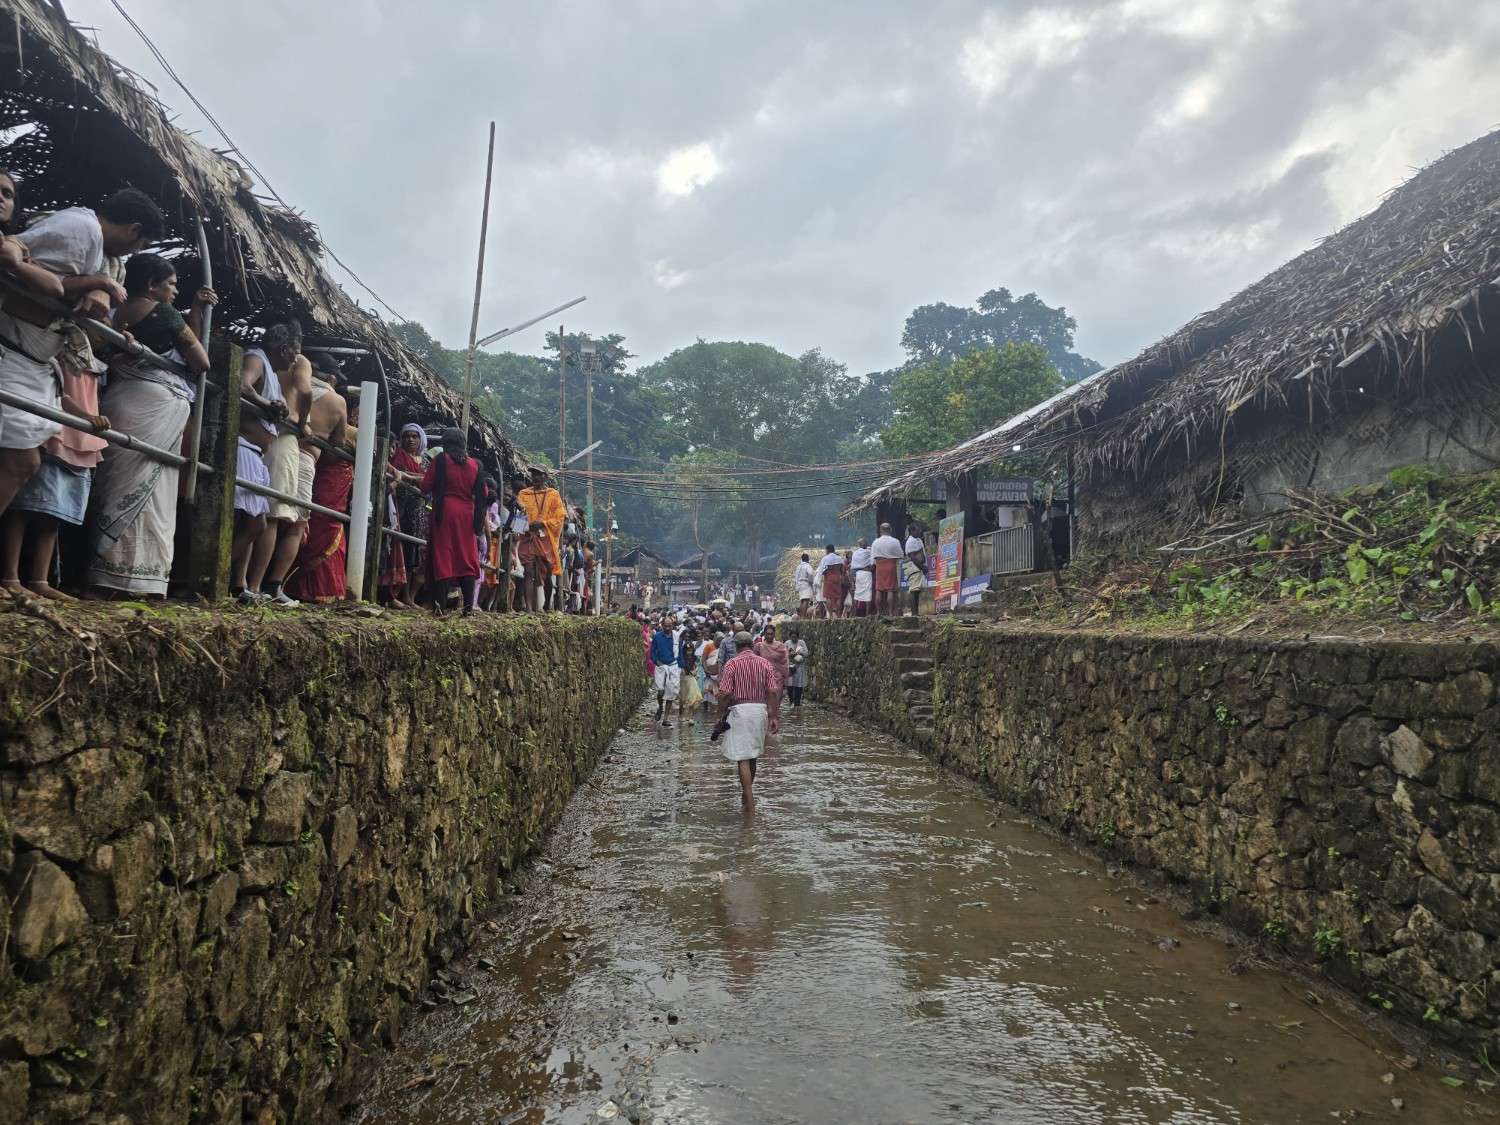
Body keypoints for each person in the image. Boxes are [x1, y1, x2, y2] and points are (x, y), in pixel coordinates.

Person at [0, 187, 161, 520]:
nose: (134, 252)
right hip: (11, 348)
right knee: (21, 461)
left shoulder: (99, 250)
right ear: (133, 230)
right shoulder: (81, 229)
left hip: (31, 361)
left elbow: (55, 281)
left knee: (22, 462)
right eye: (140, 244)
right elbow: (19, 262)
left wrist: (98, 285)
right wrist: (97, 282)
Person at [75, 253, 216, 598]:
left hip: (120, 399)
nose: (173, 291)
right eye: (169, 285)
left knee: (114, 486)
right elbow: (200, 360)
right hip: (157, 402)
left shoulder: (113, 313)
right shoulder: (165, 313)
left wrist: (194, 313)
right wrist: (189, 322)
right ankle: (141, 581)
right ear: (151, 285)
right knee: (155, 492)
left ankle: (103, 574)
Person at [229, 324, 292, 604]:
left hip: (254, 451)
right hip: (242, 447)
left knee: (251, 522)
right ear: (284, 349)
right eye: (295, 353)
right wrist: (265, 404)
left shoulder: (272, 372)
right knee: (254, 524)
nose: (294, 360)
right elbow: (241, 383)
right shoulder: (256, 358)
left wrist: (274, 406)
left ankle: (238, 584)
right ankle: (218, 573)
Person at [255, 323, 314, 606]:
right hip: (283, 437)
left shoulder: (264, 360)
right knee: (274, 515)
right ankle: (264, 586)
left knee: (260, 510)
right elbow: (304, 392)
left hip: (261, 434)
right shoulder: (299, 362)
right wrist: (303, 423)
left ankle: (249, 583)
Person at [285, 360, 352, 603]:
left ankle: (250, 582)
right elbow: (339, 443)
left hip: (277, 449)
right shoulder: (336, 402)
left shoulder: (286, 382)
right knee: (297, 525)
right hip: (306, 462)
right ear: (333, 379)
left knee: (268, 518)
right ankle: (274, 584)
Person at [713, 631, 782, 812]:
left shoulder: (732, 663)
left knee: (742, 757)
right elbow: (772, 691)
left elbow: (726, 692)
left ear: (736, 646)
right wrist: (774, 716)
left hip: (740, 711)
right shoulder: (764, 663)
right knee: (753, 755)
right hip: (760, 711)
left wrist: (719, 714)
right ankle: (746, 796)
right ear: (752, 645)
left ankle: (749, 801)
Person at [421, 428, 484, 616]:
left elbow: (425, 486)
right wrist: (477, 524)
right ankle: (467, 609)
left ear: (445, 443)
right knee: (467, 558)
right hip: (467, 515)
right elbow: (483, 495)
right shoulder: (476, 465)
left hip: (444, 512)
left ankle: (439, 607)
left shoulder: (440, 460)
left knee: (443, 556)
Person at [387, 423, 428, 609]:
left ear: (421, 439)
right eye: (406, 436)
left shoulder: (426, 461)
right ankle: (396, 593)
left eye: (414, 436)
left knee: (414, 551)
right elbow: (395, 472)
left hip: (418, 511)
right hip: (400, 506)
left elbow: (428, 482)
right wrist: (415, 479)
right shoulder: (398, 456)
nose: (410, 440)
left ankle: (409, 596)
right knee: (399, 546)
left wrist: (408, 477)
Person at [518, 465, 565, 611]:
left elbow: (559, 517)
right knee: (528, 571)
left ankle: (546, 605)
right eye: (534, 474)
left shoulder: (553, 494)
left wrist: (543, 523)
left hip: (546, 538)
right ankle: (529, 609)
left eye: (540, 474)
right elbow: (519, 515)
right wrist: (521, 529)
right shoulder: (524, 494)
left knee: (548, 572)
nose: (536, 477)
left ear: (546, 477)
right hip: (528, 537)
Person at [871, 522, 905, 617]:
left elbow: (872, 558)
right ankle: (890, 612)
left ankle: (878, 612)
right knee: (890, 589)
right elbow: (901, 555)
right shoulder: (895, 541)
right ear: (890, 530)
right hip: (891, 565)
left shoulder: (876, 542)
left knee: (879, 589)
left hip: (879, 565)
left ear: (880, 530)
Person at [651, 614, 680, 725]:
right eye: (666, 626)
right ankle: (660, 707)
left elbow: (680, 652)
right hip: (661, 666)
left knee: (671, 693)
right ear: (662, 625)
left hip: (673, 665)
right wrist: (657, 662)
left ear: (672, 626)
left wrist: (681, 666)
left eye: (670, 626)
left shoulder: (676, 636)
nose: (668, 628)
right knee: (661, 691)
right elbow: (652, 652)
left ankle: (666, 719)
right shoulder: (657, 637)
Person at [753, 622, 790, 701]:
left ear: (774, 634)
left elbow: (785, 663)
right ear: (764, 634)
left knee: (775, 703)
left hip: (777, 679)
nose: (769, 636)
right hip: (762, 679)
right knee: (764, 703)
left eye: (771, 634)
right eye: (767, 634)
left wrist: (785, 680)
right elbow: (754, 662)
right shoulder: (759, 646)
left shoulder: (780, 646)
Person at [904, 521, 928, 617]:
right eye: (918, 530)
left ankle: (916, 612)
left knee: (917, 590)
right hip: (914, 567)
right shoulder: (910, 541)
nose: (920, 532)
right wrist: (922, 567)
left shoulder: (917, 539)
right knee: (914, 590)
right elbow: (913, 557)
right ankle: (914, 613)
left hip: (918, 568)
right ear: (912, 531)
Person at [813, 544, 843, 619]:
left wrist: (819, 581)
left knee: (828, 597)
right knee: (838, 597)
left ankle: (831, 615)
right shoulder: (839, 558)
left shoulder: (825, 559)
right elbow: (842, 569)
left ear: (827, 550)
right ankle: (839, 615)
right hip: (837, 578)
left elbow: (821, 571)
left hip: (828, 578)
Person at [849, 538, 874, 617]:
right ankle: (867, 614)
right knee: (867, 594)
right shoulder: (868, 552)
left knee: (857, 595)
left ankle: (855, 614)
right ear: (864, 544)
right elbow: (873, 561)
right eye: (865, 543)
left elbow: (852, 568)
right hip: (866, 574)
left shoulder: (855, 553)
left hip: (858, 575)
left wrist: (852, 582)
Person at [785, 628, 809, 708]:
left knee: (799, 685)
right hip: (790, 666)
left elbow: (806, 653)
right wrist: (789, 655)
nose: (794, 639)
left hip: (799, 667)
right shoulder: (787, 643)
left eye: (795, 637)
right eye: (792, 637)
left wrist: (800, 653)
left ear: (798, 637)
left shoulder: (801, 642)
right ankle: (791, 700)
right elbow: (783, 654)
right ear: (790, 637)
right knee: (790, 685)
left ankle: (797, 703)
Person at [794, 552, 815, 617]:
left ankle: (800, 616)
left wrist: (797, 585)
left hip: (800, 585)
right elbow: (811, 574)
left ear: (801, 559)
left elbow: (796, 577)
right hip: (806, 584)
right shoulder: (807, 566)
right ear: (808, 559)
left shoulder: (798, 567)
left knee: (802, 601)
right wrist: (811, 581)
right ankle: (803, 616)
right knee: (806, 600)